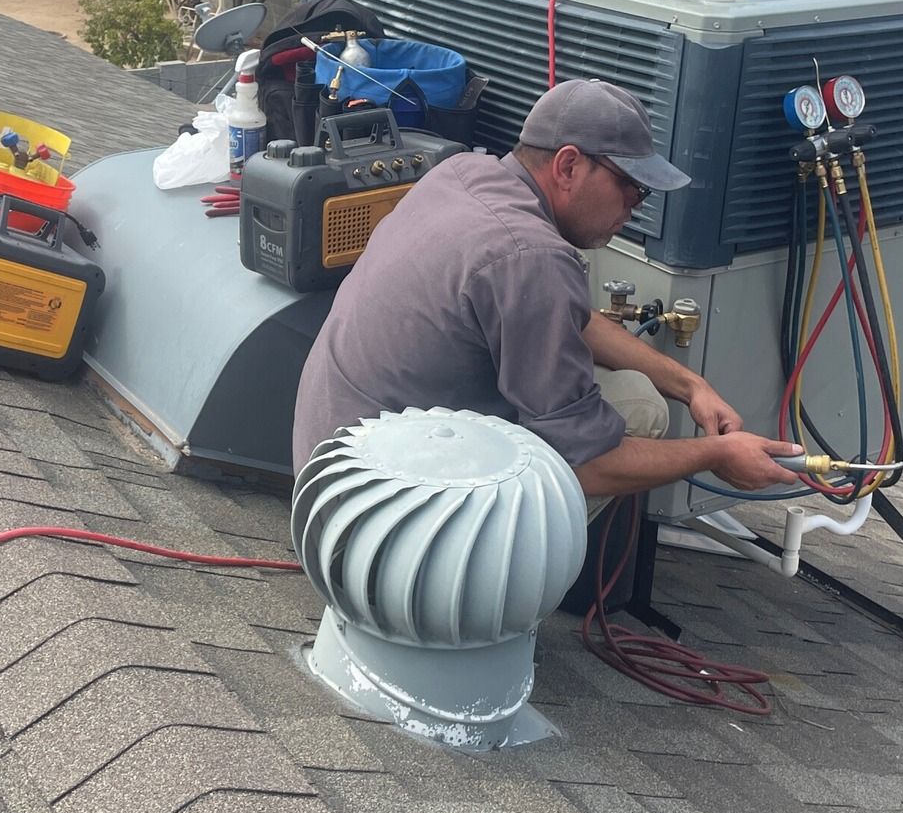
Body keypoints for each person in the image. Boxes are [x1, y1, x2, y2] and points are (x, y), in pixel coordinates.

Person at [291, 77, 801, 500]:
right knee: (636, 417)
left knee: (637, 395)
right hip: (380, 517)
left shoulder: (464, 173)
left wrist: (693, 388)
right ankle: (479, 611)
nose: (636, 206)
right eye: (632, 186)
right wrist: (716, 455)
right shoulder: (531, 256)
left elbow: (573, 319)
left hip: (330, 472)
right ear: (569, 166)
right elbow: (591, 463)